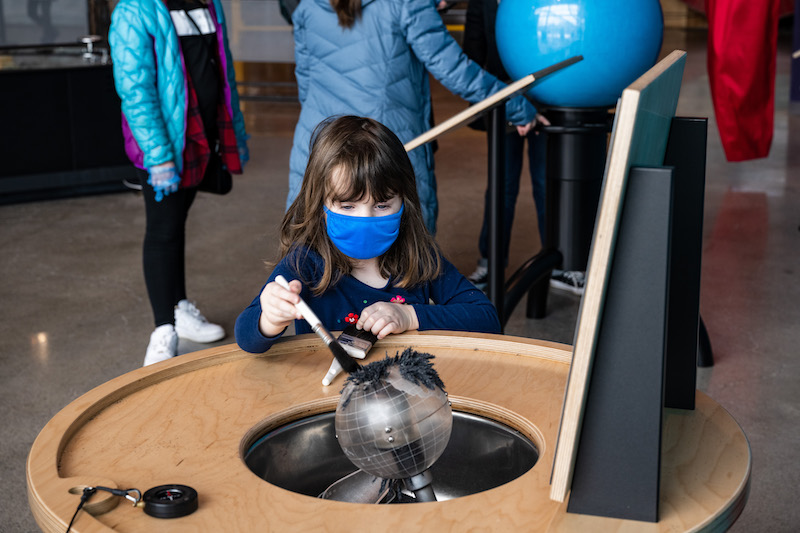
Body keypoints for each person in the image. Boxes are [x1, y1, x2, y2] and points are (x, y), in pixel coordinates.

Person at [236, 116, 500, 357]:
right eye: (348, 206)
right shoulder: (304, 263)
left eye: (382, 205)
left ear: (404, 202)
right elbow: (246, 338)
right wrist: (269, 318)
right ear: (320, 205)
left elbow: (487, 319)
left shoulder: (419, 257)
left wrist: (409, 316)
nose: (366, 219)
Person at [286, 0, 538, 235]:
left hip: (318, 146)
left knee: (313, 252)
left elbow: (305, 85)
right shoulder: (406, 3)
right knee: (397, 259)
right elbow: (455, 70)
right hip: (384, 146)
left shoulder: (307, 6)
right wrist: (517, 105)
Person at [109, 0, 250, 366]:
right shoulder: (134, 11)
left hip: (200, 137)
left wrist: (229, 131)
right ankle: (163, 329)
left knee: (177, 222)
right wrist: (158, 155)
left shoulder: (206, 3)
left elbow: (221, 70)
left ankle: (179, 307)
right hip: (165, 143)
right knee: (163, 229)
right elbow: (135, 90)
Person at [461, 0, 557, 292]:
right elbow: (474, 45)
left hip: (548, 98)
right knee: (501, 185)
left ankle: (560, 264)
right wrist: (482, 105)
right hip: (501, 98)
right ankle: (491, 262)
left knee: (547, 183)